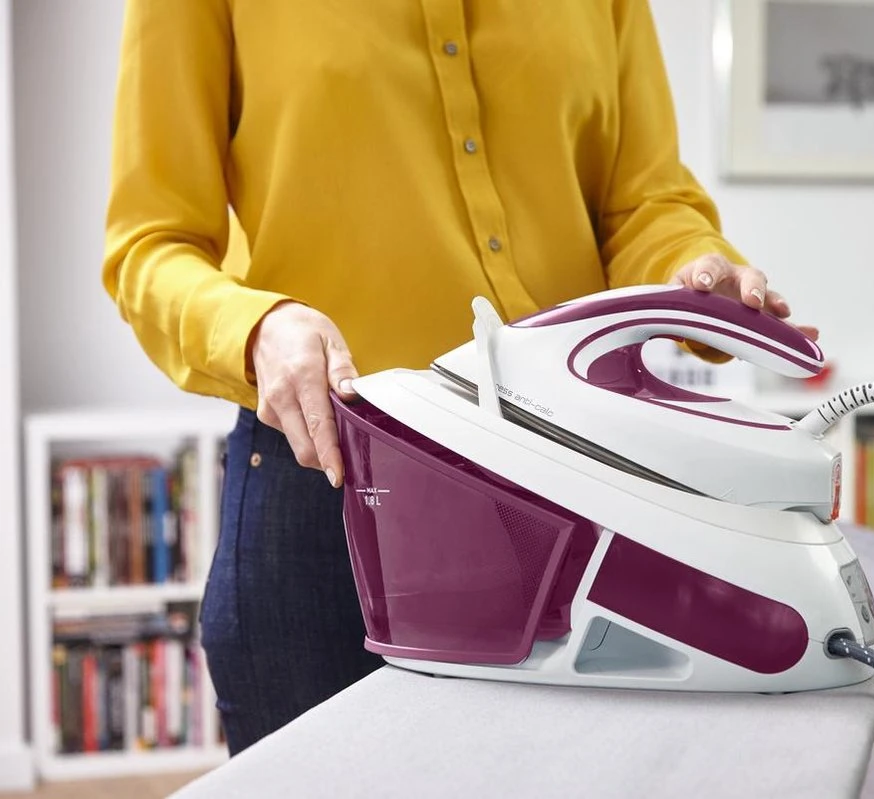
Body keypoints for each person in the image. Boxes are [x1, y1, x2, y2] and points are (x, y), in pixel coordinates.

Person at [101, 0, 818, 756]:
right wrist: (257, 328)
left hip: (566, 478)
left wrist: (688, 269)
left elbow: (643, 200)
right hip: (331, 483)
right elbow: (151, 245)